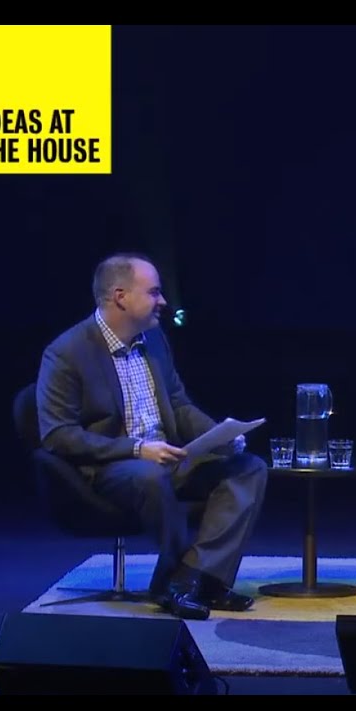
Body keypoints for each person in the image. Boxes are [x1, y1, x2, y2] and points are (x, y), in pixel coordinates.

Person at [36, 252, 268, 621]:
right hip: (111, 467)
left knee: (247, 468)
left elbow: (178, 406)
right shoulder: (66, 353)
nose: (163, 301)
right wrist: (137, 449)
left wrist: (217, 435)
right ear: (120, 296)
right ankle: (174, 586)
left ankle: (199, 579)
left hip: (167, 456)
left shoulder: (154, 340)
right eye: (155, 292)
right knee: (150, 475)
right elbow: (57, 435)